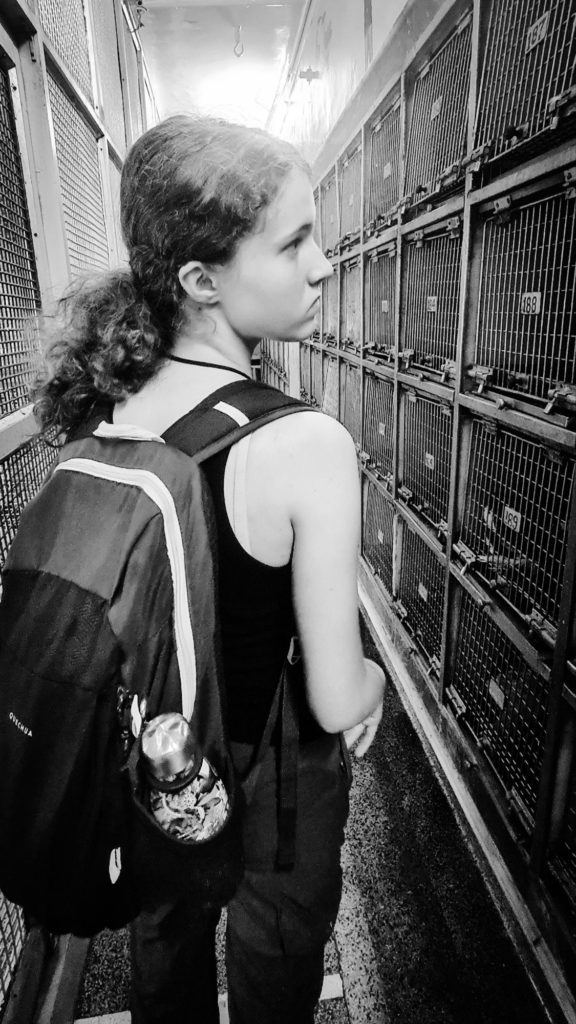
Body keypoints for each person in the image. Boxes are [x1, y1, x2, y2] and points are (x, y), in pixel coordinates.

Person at [32, 114, 387, 1024]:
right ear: (201, 280)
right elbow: (336, 700)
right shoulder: (305, 443)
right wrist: (375, 682)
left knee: (168, 943)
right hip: (273, 779)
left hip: (157, 758)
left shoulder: (108, 408)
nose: (322, 265)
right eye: (294, 243)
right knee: (276, 953)